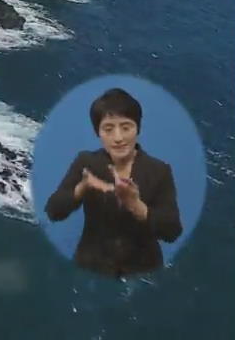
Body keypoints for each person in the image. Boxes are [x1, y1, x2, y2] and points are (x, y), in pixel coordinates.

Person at [45, 88, 183, 277]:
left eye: (126, 127)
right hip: (91, 270)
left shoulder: (159, 171)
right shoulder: (86, 163)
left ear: (138, 129)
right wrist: (82, 188)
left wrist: (136, 205)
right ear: (98, 132)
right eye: (108, 129)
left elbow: (172, 231)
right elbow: (53, 211)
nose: (118, 138)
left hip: (143, 273)